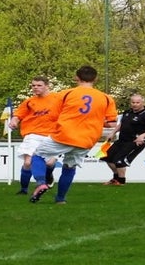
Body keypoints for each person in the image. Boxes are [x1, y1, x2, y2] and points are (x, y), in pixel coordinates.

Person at [29, 65, 118, 204]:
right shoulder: (106, 98)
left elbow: (54, 115)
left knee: (38, 156)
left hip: (64, 135)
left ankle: (41, 182)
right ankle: (60, 199)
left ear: (77, 77)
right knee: (69, 167)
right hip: (87, 139)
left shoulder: (66, 94)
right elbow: (112, 123)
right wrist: (94, 120)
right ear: (95, 79)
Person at [6, 76, 58, 195]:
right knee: (28, 163)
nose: (35, 87)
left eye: (39, 85)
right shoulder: (29, 102)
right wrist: (14, 121)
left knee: (49, 163)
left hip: (52, 136)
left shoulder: (57, 99)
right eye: (33, 85)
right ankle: (26, 189)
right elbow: (18, 115)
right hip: (33, 135)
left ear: (47, 86)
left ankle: (48, 175)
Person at [101, 93, 145, 186]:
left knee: (120, 161)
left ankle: (121, 182)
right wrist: (113, 132)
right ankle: (116, 178)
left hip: (136, 141)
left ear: (143, 103)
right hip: (122, 139)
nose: (135, 104)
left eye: (137, 102)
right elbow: (121, 124)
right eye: (133, 102)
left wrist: (143, 136)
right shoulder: (127, 112)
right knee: (108, 157)